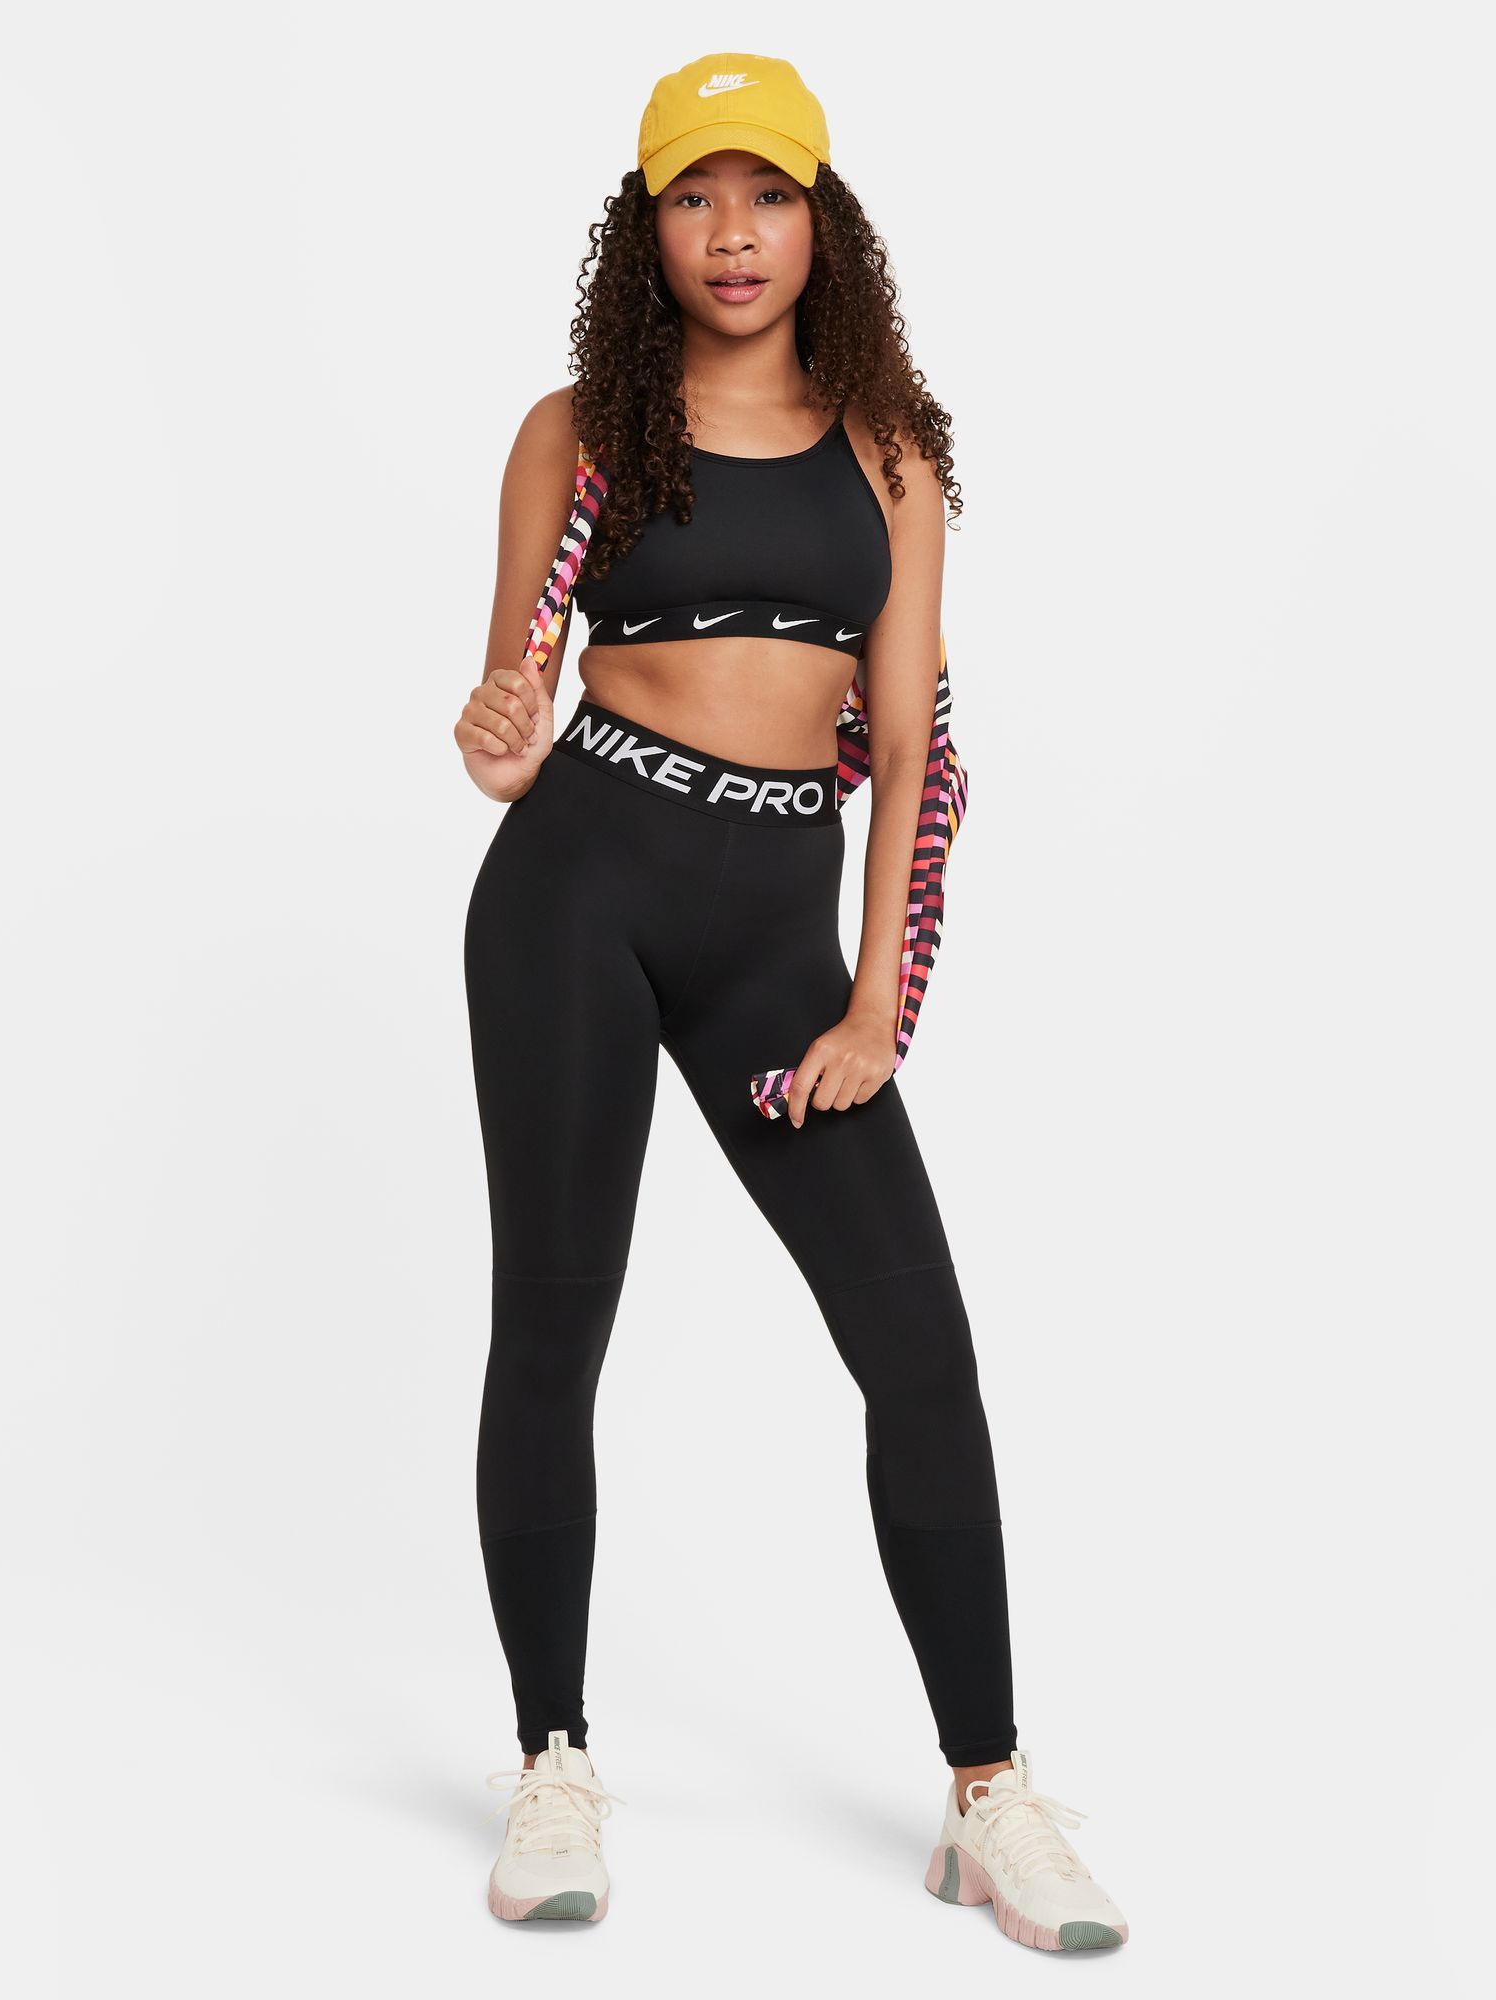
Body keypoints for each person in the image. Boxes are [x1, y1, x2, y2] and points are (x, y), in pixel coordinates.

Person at [456, 51, 1130, 1954]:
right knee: (554, 1329)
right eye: (693, 196)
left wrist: (871, 1012)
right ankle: (552, 1762)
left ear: (824, 224)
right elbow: (511, 711)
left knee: (919, 1348)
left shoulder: (892, 450)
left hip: (776, 937)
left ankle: (989, 1796)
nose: (732, 232)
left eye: (766, 194)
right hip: (580, 891)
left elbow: (906, 755)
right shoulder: (579, 428)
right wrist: (497, 742)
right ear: (646, 226)